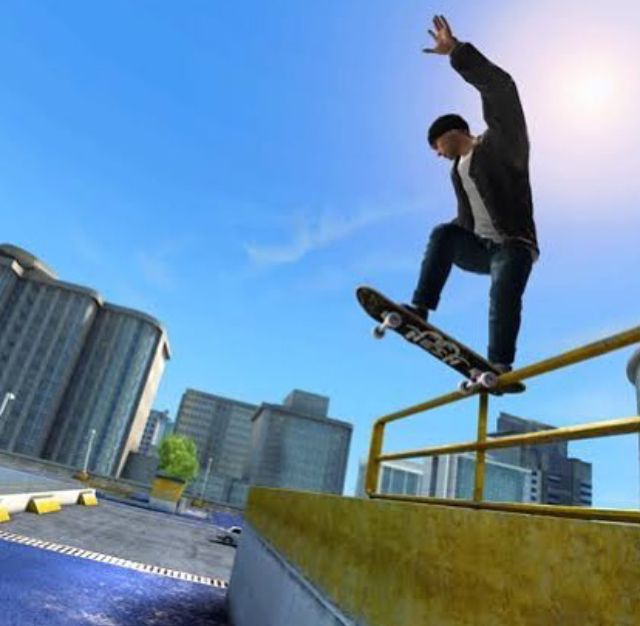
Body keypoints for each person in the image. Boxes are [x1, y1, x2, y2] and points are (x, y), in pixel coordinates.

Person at [405, 15, 539, 374]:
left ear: (452, 133)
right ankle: (419, 310)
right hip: (479, 249)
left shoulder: (500, 144)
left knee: (503, 293)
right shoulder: (457, 171)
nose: (437, 154)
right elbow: (466, 219)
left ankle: (500, 363)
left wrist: (457, 52)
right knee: (443, 233)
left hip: (514, 246)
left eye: (437, 146)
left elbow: (503, 90)